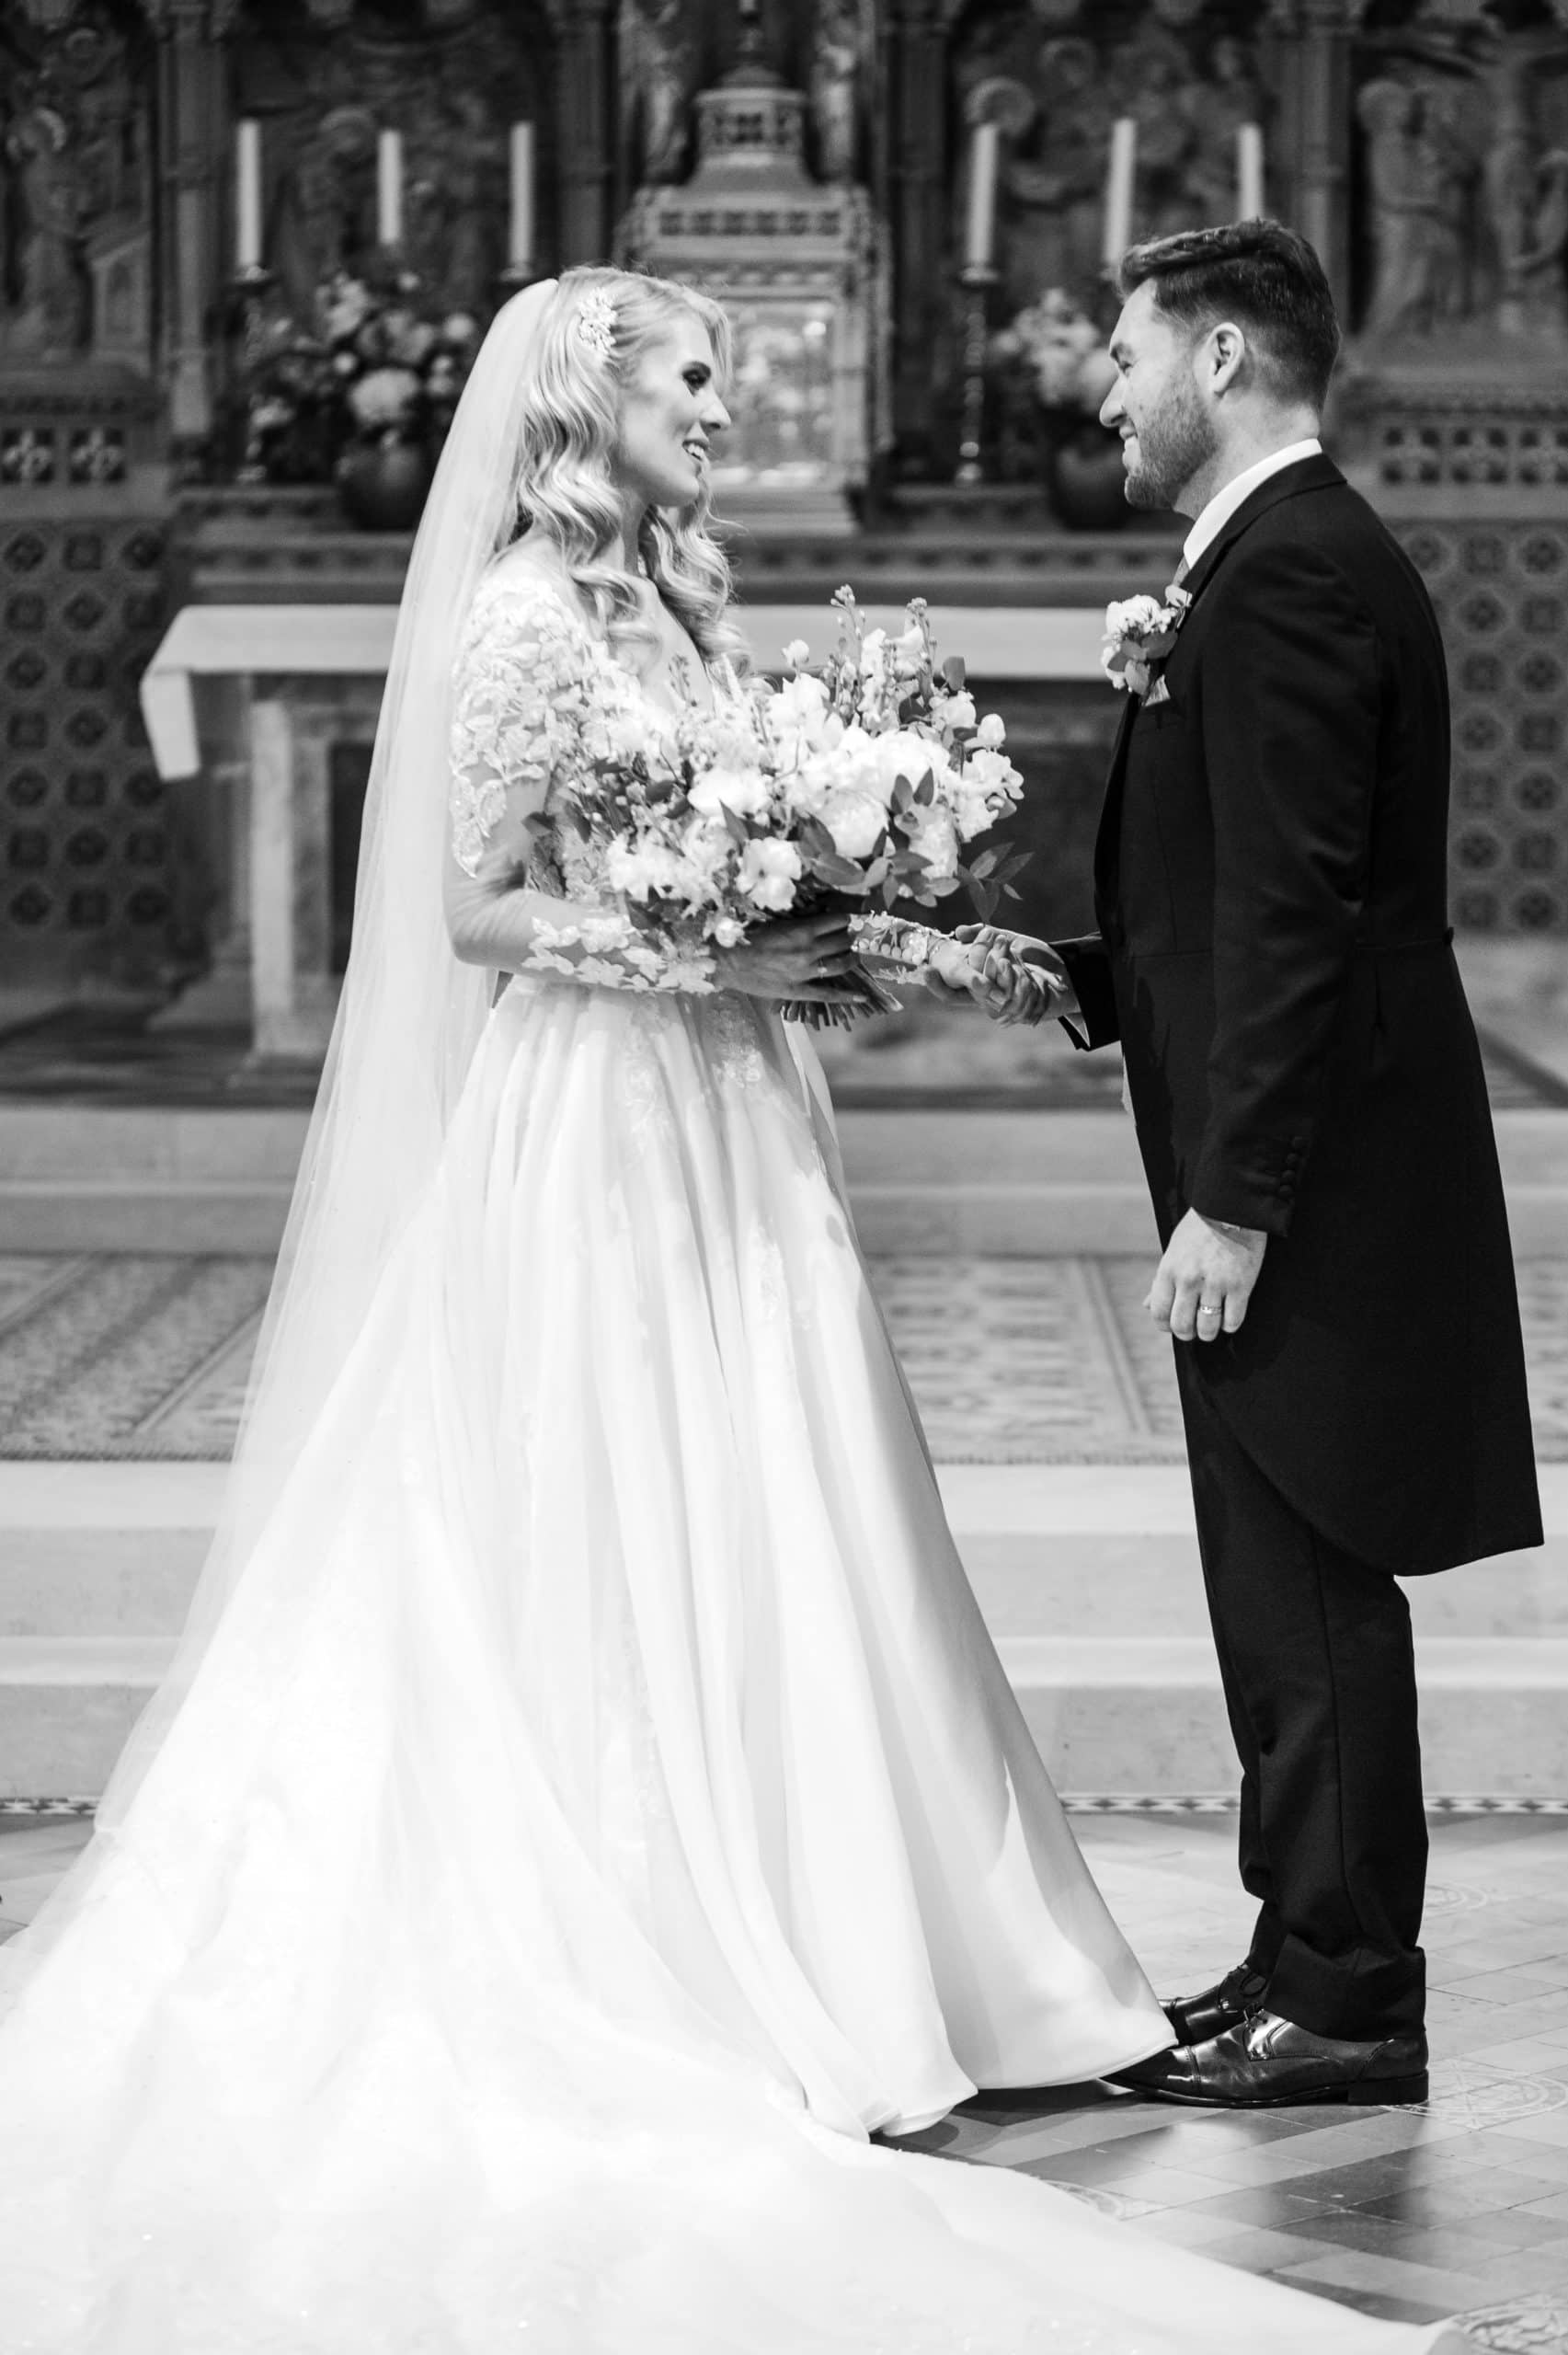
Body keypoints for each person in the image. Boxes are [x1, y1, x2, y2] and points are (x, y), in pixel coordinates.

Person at [0, 264, 1462, 2353]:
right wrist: (709, 955)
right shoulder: (516, 613)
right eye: (691, 378)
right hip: (595, 1121)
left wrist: (858, 926)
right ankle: (670, 1936)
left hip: (735, 1114)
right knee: (610, 1503)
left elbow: (748, 851)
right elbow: (472, 906)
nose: (724, 403)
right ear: (582, 407)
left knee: (781, 1498)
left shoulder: (676, 605)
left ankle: (880, 1931)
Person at [937, 221, 1541, 2111]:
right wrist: (1074, 975)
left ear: (1215, 357)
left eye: (1123, 354)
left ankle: (1349, 1997)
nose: (1101, 390)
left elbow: (1295, 913)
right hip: (1305, 1137)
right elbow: (1245, 895)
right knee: (1274, 1575)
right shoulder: (1276, 559)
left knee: (1306, 1573)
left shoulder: (1286, 575)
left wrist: (1239, 1195)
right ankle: (1299, 1950)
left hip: (1314, 1168)